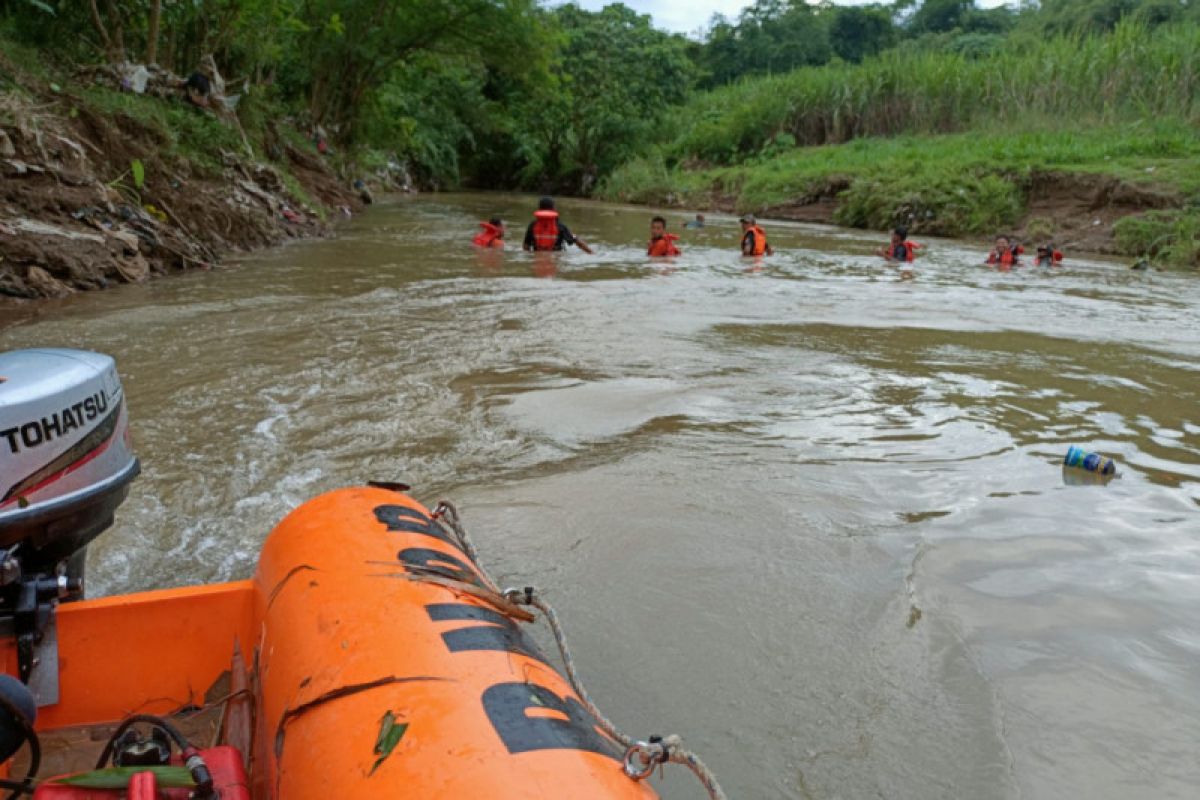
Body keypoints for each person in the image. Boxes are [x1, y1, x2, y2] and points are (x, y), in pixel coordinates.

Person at [522, 197, 594, 253]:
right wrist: (591, 253)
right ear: (553, 209)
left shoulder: (532, 225)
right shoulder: (560, 226)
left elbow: (526, 246)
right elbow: (576, 241)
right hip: (555, 258)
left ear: (539, 209)